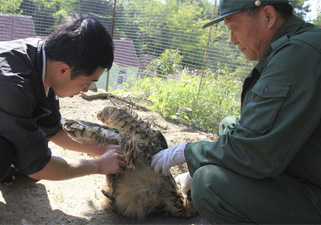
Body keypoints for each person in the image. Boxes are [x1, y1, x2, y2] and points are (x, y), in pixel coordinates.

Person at [151, 0, 321, 223]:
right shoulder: (294, 45)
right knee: (230, 124)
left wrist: (187, 153)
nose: (232, 40)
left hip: (313, 192)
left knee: (209, 184)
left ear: (268, 16)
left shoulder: (299, 53)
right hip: (305, 168)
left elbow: (256, 152)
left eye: (234, 27)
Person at [0, 15, 126, 183]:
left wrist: (101, 149)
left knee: (26, 155)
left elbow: (53, 129)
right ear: (63, 70)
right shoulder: (15, 85)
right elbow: (39, 167)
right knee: (4, 153)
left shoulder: (45, 62)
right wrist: (98, 165)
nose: (85, 90)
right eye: (87, 82)